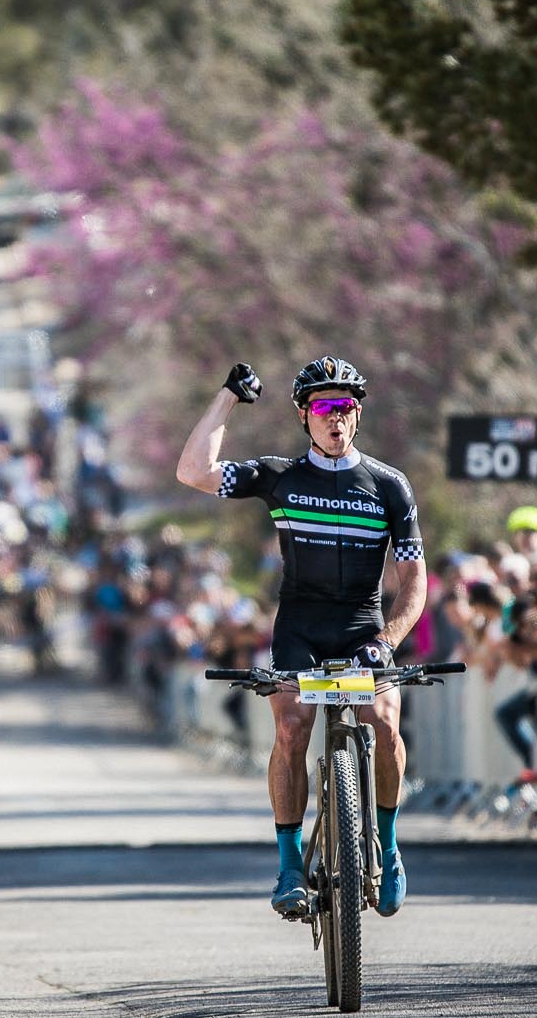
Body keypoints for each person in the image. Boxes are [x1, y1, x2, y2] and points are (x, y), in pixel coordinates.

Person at [174, 356, 426, 920]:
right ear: (303, 416)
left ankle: (387, 847)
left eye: (344, 407)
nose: (335, 418)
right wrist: (228, 398)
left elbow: (414, 584)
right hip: (301, 629)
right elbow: (193, 471)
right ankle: (290, 862)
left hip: (364, 629)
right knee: (291, 725)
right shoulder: (279, 476)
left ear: (357, 414)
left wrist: (387, 640)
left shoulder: (390, 486)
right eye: (322, 408)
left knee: (384, 721)